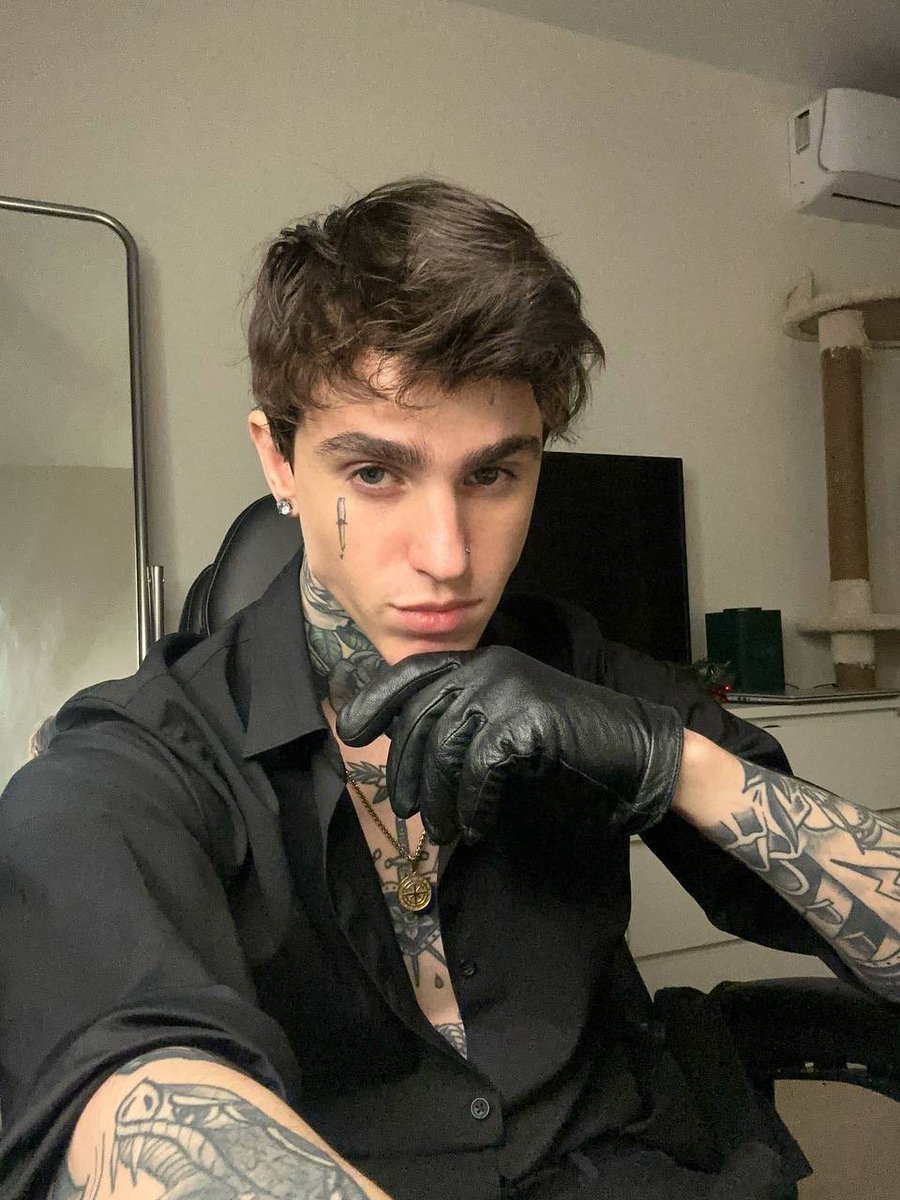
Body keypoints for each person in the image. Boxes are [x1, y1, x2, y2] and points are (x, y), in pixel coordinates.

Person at [1, 179, 898, 1200]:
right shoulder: (144, 758)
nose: (447, 556)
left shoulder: (580, 668)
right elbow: (138, 1101)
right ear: (279, 461)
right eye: (375, 473)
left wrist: (672, 762)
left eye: (492, 476)